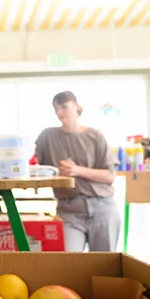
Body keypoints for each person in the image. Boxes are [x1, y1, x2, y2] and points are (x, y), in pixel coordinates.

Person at [34, 91, 119, 252]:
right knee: (68, 263)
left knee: (104, 266)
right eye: (56, 109)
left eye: (64, 107)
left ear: (78, 107)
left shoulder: (95, 136)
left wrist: (77, 171)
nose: (60, 112)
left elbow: (109, 176)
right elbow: (33, 165)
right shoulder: (47, 136)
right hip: (69, 210)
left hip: (102, 207)